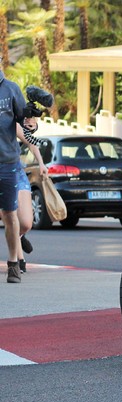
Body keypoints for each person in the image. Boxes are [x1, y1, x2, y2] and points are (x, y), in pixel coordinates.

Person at [0, 70, 36, 283]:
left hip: (7, 163)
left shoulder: (11, 88)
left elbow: (26, 123)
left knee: (10, 214)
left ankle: (13, 264)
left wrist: (32, 122)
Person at [15, 119, 48, 272]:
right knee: (10, 218)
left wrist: (41, 163)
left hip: (16, 172)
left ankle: (20, 237)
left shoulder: (9, 119)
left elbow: (29, 137)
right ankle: (17, 261)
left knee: (27, 223)